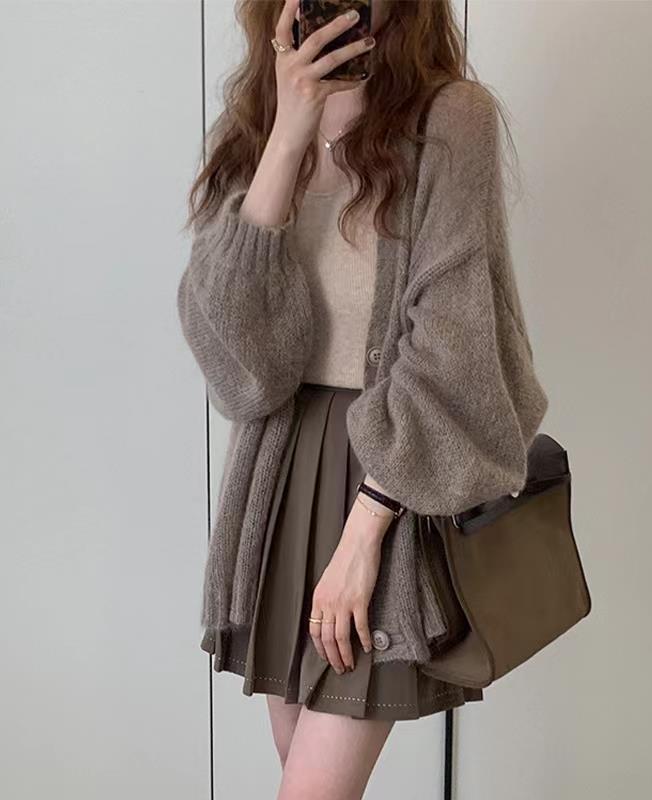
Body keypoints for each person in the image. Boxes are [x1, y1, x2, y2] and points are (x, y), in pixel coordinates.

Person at [176, 0, 549, 797]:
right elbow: (239, 366)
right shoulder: (255, 128)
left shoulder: (452, 119)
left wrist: (363, 540)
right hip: (277, 487)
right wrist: (288, 133)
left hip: (388, 484)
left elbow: (454, 347)